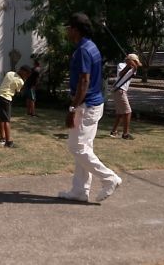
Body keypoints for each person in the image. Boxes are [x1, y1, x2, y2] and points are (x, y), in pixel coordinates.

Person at [58, 12, 122, 203]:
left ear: (75, 29)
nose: (67, 31)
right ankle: (79, 190)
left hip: (86, 106)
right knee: (84, 147)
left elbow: (83, 82)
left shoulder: (83, 51)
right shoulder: (90, 46)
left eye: (68, 27)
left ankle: (110, 178)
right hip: (93, 104)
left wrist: (72, 109)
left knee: (76, 147)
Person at [0, 65, 32, 147]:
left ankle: (2, 138)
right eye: (27, 75)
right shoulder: (20, 81)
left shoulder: (9, 73)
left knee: (1, 119)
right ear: (23, 72)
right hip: (6, 98)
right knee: (7, 120)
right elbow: (18, 91)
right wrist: (24, 81)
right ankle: (8, 142)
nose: (27, 76)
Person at [109, 53, 141, 140]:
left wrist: (133, 66)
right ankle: (125, 134)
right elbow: (121, 74)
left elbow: (134, 70)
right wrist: (128, 65)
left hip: (122, 91)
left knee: (120, 113)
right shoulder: (121, 65)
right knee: (128, 112)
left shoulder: (134, 68)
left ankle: (114, 131)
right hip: (119, 90)